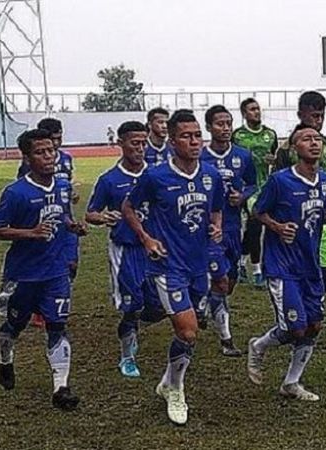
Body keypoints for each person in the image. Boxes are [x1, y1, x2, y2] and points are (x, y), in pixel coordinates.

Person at [122, 110, 225, 426]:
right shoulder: (155, 177)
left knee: (190, 329)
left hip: (199, 265)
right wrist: (146, 238)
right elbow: (128, 207)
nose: (194, 141)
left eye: (197, 135)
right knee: (189, 331)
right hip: (168, 266)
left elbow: (217, 208)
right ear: (171, 139)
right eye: (186, 135)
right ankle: (176, 390)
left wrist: (217, 226)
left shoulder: (211, 175)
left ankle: (167, 382)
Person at [0, 128, 88, 410]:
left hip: (56, 271)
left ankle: (61, 388)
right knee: (15, 325)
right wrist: (30, 233)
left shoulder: (62, 186)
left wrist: (73, 227)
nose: (48, 156)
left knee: (57, 325)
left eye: (51, 150)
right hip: (23, 274)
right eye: (40, 152)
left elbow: (64, 216)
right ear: (27, 157)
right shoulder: (15, 192)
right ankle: (5, 359)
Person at [246, 124, 326, 401]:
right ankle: (258, 346)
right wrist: (277, 227)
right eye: (306, 139)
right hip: (282, 265)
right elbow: (258, 211)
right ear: (293, 148)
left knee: (314, 325)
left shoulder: (325, 180)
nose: (314, 143)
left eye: (317, 139)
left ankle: (291, 383)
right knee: (295, 328)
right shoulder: (280, 180)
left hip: (309, 264)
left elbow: (312, 215)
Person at [85, 120, 165, 378]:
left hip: (155, 248)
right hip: (125, 249)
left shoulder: (157, 175)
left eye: (143, 143)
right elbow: (91, 213)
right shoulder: (109, 180)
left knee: (159, 306)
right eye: (134, 143)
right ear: (121, 144)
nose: (140, 148)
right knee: (131, 306)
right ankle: (127, 357)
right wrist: (102, 216)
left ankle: (134, 327)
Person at [201, 105, 257, 357]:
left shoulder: (243, 156)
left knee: (229, 282)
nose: (225, 128)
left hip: (234, 227)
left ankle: (204, 303)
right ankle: (226, 340)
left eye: (228, 123)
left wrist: (242, 195)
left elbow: (253, 183)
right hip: (209, 229)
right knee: (221, 281)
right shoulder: (200, 156)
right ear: (209, 127)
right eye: (219, 124)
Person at [273, 91, 326, 293]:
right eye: (314, 116)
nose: (318, 121)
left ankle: (308, 316)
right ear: (301, 114)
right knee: (298, 276)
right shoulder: (287, 150)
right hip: (295, 221)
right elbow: (277, 186)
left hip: (322, 217)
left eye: (321, 116)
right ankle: (297, 317)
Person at [15, 118, 79, 329]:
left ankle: (55, 302)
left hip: (66, 220)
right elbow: (25, 186)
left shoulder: (67, 159)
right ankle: (39, 308)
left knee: (71, 264)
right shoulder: (30, 164)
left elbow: (67, 184)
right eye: (54, 139)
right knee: (47, 264)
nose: (57, 143)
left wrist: (72, 194)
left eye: (60, 137)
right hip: (42, 224)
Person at [232, 98, 279, 288]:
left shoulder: (270, 134)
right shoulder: (238, 136)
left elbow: (276, 159)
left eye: (258, 109)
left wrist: (273, 161)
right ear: (244, 114)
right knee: (255, 225)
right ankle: (258, 270)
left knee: (254, 227)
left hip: (264, 186)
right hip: (245, 188)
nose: (257, 112)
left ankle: (242, 263)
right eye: (252, 109)